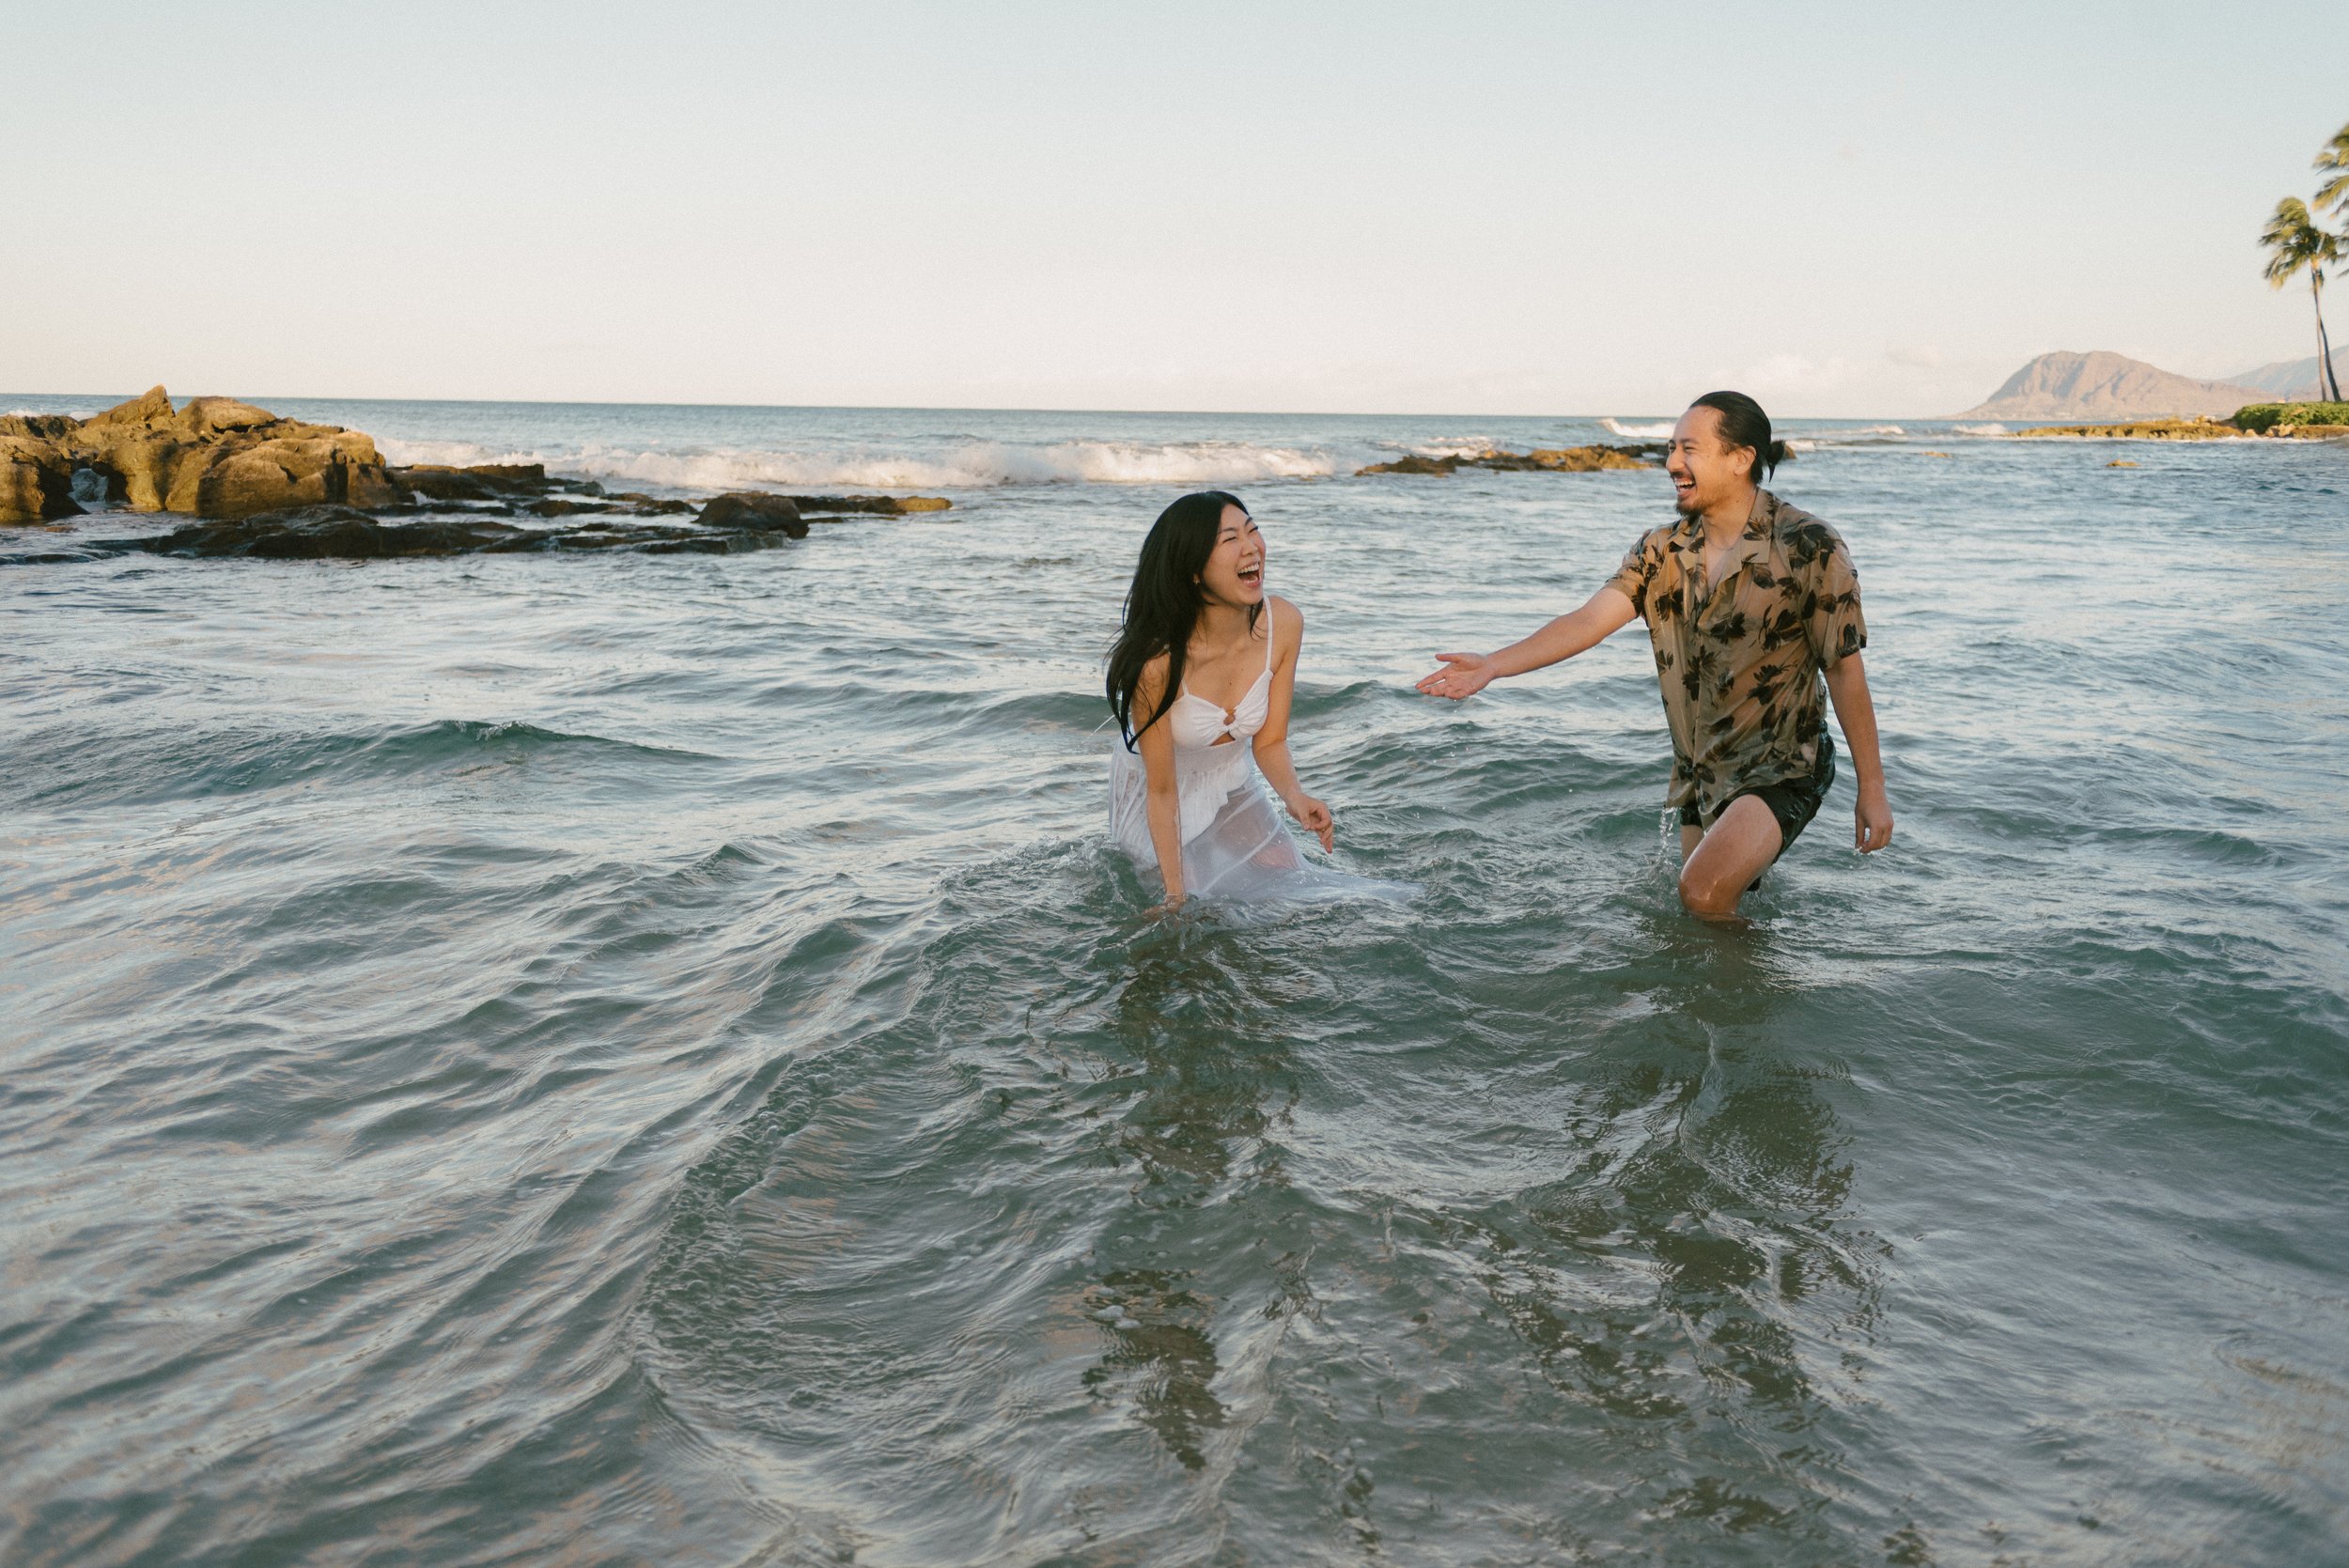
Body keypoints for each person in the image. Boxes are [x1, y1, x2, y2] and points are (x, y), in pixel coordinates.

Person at [1416, 392, 1892, 920]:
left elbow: (1843, 670)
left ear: (1741, 459)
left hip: (1784, 765)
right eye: (1671, 448)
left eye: (1689, 449)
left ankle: (1757, 995)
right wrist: (1493, 664)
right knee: (1706, 917)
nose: (1671, 464)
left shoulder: (1809, 546)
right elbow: (1588, 621)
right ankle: (1742, 993)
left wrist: (1872, 789)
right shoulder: (1660, 549)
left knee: (1704, 892)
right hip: (1700, 769)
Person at [1108, 490, 1411, 908]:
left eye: (1253, 531)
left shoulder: (1283, 623)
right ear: (1193, 570)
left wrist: (1296, 798)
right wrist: (1174, 895)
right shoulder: (1156, 665)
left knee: (1292, 880)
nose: (1251, 547)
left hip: (1230, 775)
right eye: (1230, 539)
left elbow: (1269, 742)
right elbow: (1161, 792)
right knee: (1195, 900)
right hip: (1156, 793)